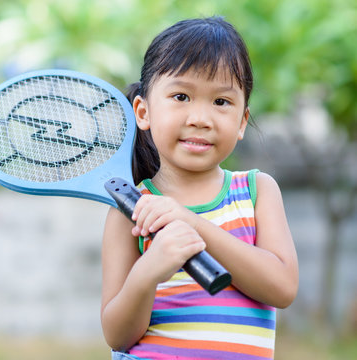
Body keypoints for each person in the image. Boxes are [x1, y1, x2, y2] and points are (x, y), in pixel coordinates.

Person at [101, 17, 299, 360]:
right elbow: (117, 336)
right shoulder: (131, 212)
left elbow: (282, 288)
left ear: (241, 122)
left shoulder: (257, 192)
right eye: (181, 96)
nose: (201, 118)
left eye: (221, 102)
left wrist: (193, 224)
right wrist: (148, 272)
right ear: (143, 112)